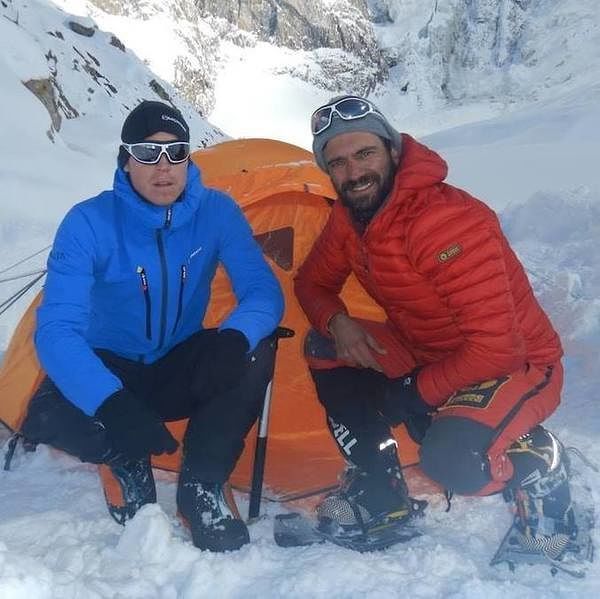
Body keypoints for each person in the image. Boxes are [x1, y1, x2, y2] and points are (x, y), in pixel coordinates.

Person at [294, 95, 578, 559]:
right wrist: (337, 321)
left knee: (453, 461)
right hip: (427, 351)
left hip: (519, 365)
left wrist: (413, 392)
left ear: (392, 150)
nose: (354, 172)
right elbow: (312, 282)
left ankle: (541, 465)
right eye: (338, 162)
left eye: (364, 153)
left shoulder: (446, 222)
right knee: (325, 345)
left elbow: (497, 349)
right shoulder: (350, 218)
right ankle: (380, 488)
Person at [21, 100, 284, 553]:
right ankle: (125, 457)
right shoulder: (88, 222)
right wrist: (109, 402)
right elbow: (56, 330)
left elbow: (263, 291)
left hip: (176, 362)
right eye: (147, 153)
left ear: (188, 159)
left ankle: (202, 484)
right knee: (47, 414)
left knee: (255, 350)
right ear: (126, 161)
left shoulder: (217, 212)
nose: (163, 167)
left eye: (175, 152)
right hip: (111, 367)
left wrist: (235, 336)